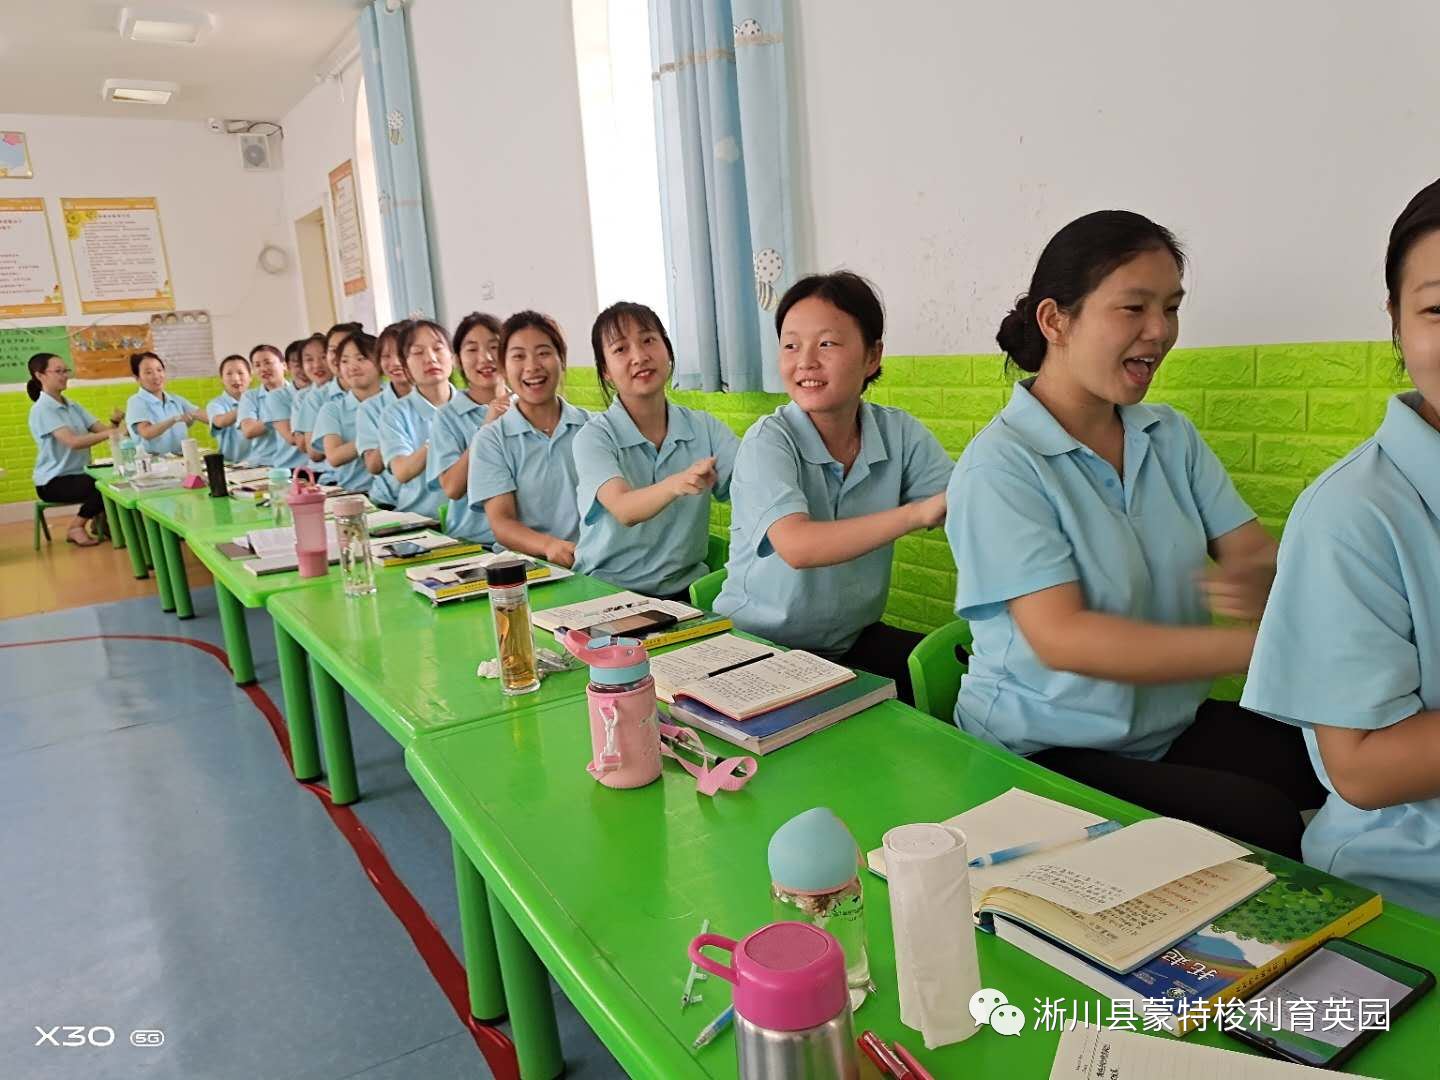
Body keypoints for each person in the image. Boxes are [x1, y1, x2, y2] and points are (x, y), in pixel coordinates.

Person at [945, 210, 1323, 858]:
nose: (1160, 332)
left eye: (1172, 308)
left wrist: (1267, 583)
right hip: (1040, 754)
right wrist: (1257, 647)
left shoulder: (1167, 435)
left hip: (1160, 728)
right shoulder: (1001, 466)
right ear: (1054, 320)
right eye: (1134, 308)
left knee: (1327, 755)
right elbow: (1064, 637)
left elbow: (1253, 553)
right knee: (1262, 821)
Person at [1242, 179, 1440, 913]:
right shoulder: (1355, 511)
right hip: (1413, 880)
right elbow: (1362, 767)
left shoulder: (1163, 443)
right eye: (1439, 308)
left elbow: (1237, 546)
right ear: (1396, 319)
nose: (1157, 331)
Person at [714, 272, 949, 703]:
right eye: (790, 345)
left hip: (847, 644)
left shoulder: (899, 433)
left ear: (872, 355)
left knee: (956, 685)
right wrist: (915, 514)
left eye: (826, 343)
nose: (805, 361)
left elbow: (966, 509)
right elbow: (798, 546)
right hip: (756, 650)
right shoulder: (768, 439)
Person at [573, 302, 738, 600]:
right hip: (606, 595)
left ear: (668, 351)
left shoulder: (705, 428)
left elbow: (750, 483)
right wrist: (677, 483)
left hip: (686, 596)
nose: (639, 356)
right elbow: (624, 509)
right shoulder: (594, 437)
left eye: (649, 340)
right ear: (606, 371)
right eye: (621, 349)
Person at [469, 310, 592, 567]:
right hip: (527, 570)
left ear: (562, 359)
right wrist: (549, 546)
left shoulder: (593, 427)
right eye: (518, 356)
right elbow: (502, 522)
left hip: (594, 565)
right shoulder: (492, 440)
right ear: (503, 367)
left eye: (544, 353)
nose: (532, 366)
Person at [429, 312, 508, 544]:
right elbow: (452, 488)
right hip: (471, 542)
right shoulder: (447, 416)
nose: (485, 358)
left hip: (528, 542)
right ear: (457, 360)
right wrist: (486, 429)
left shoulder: (525, 408)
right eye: (472, 350)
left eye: (494, 346)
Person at [26, 353, 117, 546]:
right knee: (105, 485)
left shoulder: (73, 406)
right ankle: (76, 526)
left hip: (80, 474)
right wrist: (112, 434)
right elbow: (73, 442)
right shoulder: (42, 409)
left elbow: (103, 431)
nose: (65, 375)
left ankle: (102, 523)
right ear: (40, 375)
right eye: (58, 371)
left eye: (66, 370)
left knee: (113, 479)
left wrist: (116, 425)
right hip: (53, 481)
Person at [379, 319, 454, 516]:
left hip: (468, 524)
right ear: (405, 366)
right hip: (420, 519)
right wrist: (439, 439)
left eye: (438, 348)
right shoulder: (395, 414)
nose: (430, 358)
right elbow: (402, 471)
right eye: (418, 352)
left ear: (453, 357)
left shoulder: (472, 405)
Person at [315, 330, 383, 493]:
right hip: (355, 492)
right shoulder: (332, 409)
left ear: (381, 362)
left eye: (361, 358)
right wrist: (376, 437)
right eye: (345, 361)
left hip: (395, 494)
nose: (352, 367)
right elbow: (334, 457)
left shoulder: (396, 403)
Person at [356, 320, 412, 510]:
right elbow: (373, 465)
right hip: (389, 502)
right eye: (386, 356)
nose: (394, 363)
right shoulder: (370, 408)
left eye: (401, 354)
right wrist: (393, 431)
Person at [237, 343, 307, 470]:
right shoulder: (250, 396)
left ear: (284, 365)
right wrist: (277, 415)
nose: (263, 368)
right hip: (263, 463)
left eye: (268, 362)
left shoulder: (301, 389)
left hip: (300, 463)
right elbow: (249, 431)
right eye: (257, 365)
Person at [124, 351, 205, 455]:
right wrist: (174, 419)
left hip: (181, 460)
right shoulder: (136, 402)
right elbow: (146, 432)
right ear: (137, 378)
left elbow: (202, 415)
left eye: (159, 370)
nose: (156, 376)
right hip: (154, 465)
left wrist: (226, 419)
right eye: (148, 372)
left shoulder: (175, 399)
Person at [291, 333, 339, 467]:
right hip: (320, 472)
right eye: (309, 360)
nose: (317, 365)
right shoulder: (302, 397)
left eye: (323, 357)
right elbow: (303, 445)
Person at [206, 354, 253, 462]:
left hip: (263, 464)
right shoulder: (216, 404)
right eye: (229, 374)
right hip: (233, 466)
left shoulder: (260, 399)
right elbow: (220, 421)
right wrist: (248, 404)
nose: (235, 378)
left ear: (250, 377)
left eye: (240, 373)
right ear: (221, 379)